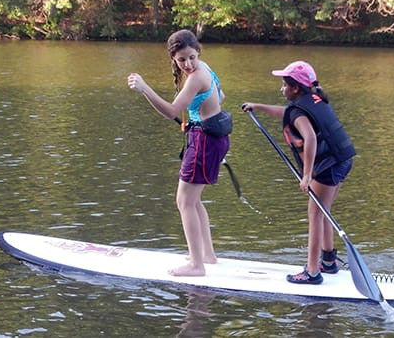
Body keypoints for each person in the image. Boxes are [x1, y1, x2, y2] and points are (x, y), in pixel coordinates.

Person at [241, 61, 355, 284]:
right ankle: (329, 262)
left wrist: (307, 175)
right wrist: (259, 107)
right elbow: (288, 114)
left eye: (284, 85)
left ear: (295, 89)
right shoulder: (313, 100)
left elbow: (310, 137)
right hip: (342, 160)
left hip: (327, 166)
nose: (281, 89)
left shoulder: (299, 109)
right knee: (324, 211)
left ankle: (312, 272)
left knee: (314, 215)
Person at [127, 29, 229, 277]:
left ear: (198, 51)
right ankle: (207, 255)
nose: (188, 64)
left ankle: (197, 265)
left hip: (205, 142)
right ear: (173, 58)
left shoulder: (196, 77)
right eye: (182, 59)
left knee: (184, 201)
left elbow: (172, 111)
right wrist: (198, 116)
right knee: (193, 200)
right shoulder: (205, 68)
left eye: (192, 57)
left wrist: (145, 89)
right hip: (211, 138)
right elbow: (221, 95)